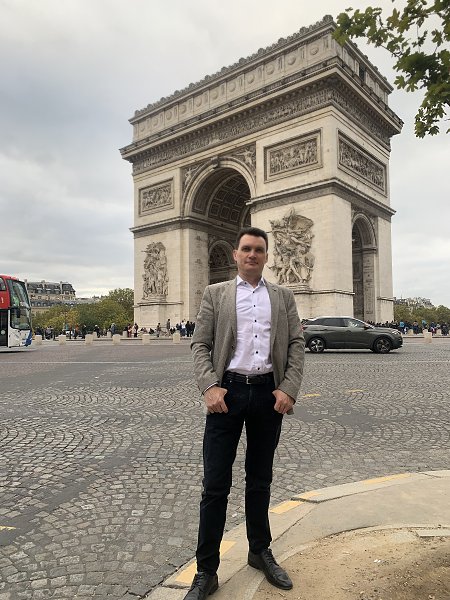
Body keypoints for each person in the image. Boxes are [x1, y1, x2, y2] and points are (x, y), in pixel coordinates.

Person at [186, 226, 305, 599]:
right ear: (235, 254)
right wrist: (209, 386)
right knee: (214, 486)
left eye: (259, 250)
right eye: (246, 249)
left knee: (260, 480)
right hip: (227, 394)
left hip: (269, 394)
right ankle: (206, 571)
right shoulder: (215, 293)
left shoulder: (283, 296)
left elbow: (296, 343)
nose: (252, 255)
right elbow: (200, 344)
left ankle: (259, 551)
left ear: (267, 256)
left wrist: (288, 388)